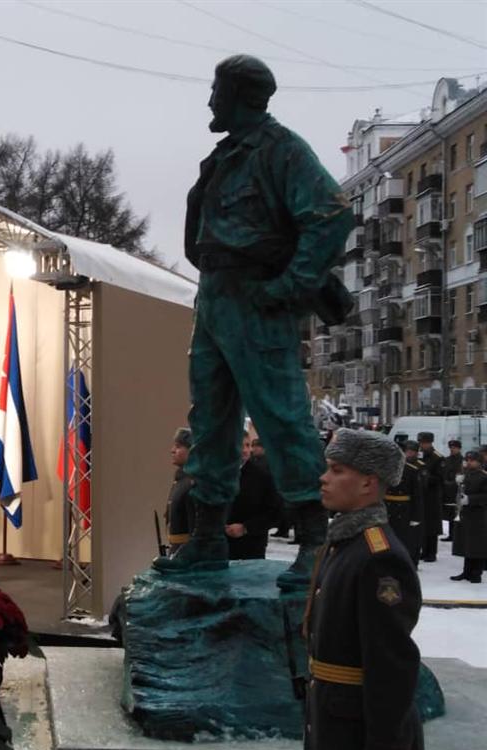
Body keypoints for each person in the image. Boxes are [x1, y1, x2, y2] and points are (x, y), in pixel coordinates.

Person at [153, 54, 353, 589]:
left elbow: (332, 215)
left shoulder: (280, 149)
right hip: (216, 295)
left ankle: (315, 540)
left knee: (281, 416)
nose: (210, 101)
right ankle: (210, 537)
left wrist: (289, 286)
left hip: (255, 300)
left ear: (241, 96)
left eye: (217, 91)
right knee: (211, 419)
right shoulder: (224, 158)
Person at [304, 428, 425, 750]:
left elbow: (391, 669)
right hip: (334, 721)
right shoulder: (346, 543)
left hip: (357, 737)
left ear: (368, 484)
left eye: (337, 470)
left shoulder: (378, 557)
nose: (324, 478)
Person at [226, 434, 281, 559]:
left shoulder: (262, 476)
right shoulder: (217, 473)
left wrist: (246, 528)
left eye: (247, 445)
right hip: (219, 547)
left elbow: (275, 512)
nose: (245, 450)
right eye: (240, 445)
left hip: (249, 547)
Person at [385, 441, 424, 566]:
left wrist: (416, 516)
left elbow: (417, 495)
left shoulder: (411, 470)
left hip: (404, 509)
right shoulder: (387, 468)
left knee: (405, 539)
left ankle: (408, 563)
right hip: (387, 507)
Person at [451, 451, 487, 584]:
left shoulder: (484, 476)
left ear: (479, 462)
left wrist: (470, 499)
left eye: (472, 460)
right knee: (467, 543)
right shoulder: (466, 475)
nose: (469, 462)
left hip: (479, 515)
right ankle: (466, 571)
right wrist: (457, 483)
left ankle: (476, 573)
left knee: (477, 545)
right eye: (468, 460)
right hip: (466, 514)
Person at [165, 428, 196, 555]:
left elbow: (194, 528)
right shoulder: (181, 479)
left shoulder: (193, 483)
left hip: (185, 551)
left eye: (178, 447)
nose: (172, 450)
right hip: (176, 548)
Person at [416, 432, 443, 563]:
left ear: (430, 443)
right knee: (423, 523)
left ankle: (432, 552)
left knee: (432, 525)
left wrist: (426, 477)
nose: (422, 445)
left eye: (424, 443)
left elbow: (440, 478)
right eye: (420, 443)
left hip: (432, 495)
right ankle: (424, 550)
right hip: (421, 494)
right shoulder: (419, 456)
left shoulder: (437, 458)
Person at [441, 439, 463, 542]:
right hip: (447, 490)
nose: (452, 449)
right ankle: (451, 534)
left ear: (459, 448)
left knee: (457, 513)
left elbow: (461, 475)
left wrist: (452, 483)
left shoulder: (462, 461)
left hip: (457, 489)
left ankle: (458, 535)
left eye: (454, 448)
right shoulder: (446, 460)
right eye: (451, 447)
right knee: (450, 514)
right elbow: (443, 473)